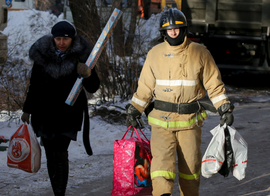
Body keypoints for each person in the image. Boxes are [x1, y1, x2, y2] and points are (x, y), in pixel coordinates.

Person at [126, 8, 234, 196]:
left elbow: (213, 83)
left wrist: (223, 107)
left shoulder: (199, 53)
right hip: (161, 123)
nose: (173, 32)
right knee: (161, 168)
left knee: (190, 170)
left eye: (177, 28)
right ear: (163, 32)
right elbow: (145, 87)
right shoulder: (155, 54)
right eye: (169, 29)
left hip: (189, 122)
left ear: (183, 29)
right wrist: (135, 109)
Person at [20, 20, 100, 196]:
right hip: (44, 114)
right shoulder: (42, 56)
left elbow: (93, 87)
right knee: (50, 153)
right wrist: (27, 109)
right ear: (53, 38)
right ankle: (56, 189)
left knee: (60, 152)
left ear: (72, 38)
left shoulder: (81, 56)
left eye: (65, 39)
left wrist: (88, 74)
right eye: (58, 39)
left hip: (68, 114)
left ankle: (60, 192)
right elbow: (34, 85)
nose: (62, 43)